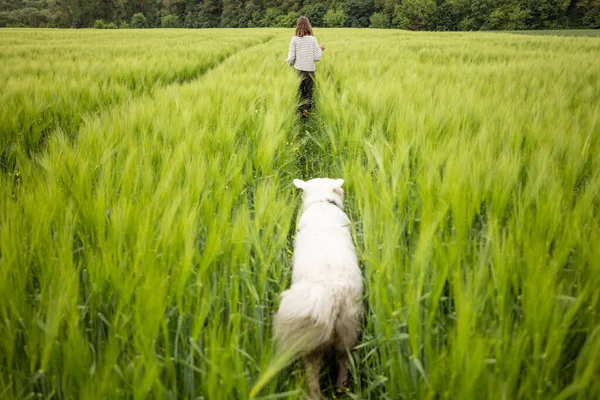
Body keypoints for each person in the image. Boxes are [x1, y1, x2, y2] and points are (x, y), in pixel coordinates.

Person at [285, 16, 325, 117]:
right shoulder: (313, 39)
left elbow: (291, 58)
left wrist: (287, 61)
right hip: (310, 71)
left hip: (298, 70)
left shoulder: (294, 39)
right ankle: (306, 112)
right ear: (308, 26)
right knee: (308, 93)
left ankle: (298, 112)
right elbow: (317, 58)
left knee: (299, 92)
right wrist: (320, 49)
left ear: (297, 26)